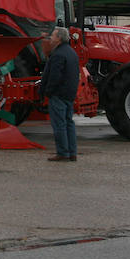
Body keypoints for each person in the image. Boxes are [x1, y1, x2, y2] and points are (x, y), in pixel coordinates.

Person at [39, 26, 80, 162]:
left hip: (58, 94)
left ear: (59, 38)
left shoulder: (58, 55)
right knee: (69, 123)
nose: (50, 38)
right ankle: (72, 152)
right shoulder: (72, 53)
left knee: (59, 124)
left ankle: (62, 153)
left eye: (53, 35)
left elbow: (54, 76)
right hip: (69, 93)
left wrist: (47, 92)